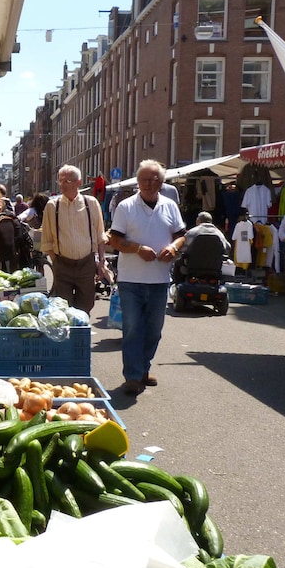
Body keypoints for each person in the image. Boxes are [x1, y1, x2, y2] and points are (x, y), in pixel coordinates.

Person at [108, 160, 187, 396]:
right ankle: (132, 376)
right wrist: (137, 248)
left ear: (161, 183)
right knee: (132, 328)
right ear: (137, 182)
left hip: (160, 279)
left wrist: (174, 247)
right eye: (144, 179)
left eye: (154, 180)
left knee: (154, 329)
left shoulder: (170, 206)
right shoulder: (126, 206)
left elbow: (182, 234)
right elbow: (114, 239)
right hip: (131, 279)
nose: (149, 184)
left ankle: (143, 368)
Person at [40, 165, 112, 314]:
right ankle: (69, 337)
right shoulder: (52, 206)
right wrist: (57, 262)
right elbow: (46, 240)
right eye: (60, 181)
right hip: (63, 264)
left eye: (67, 181)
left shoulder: (90, 203)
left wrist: (101, 262)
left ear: (78, 183)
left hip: (86, 264)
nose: (63, 185)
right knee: (63, 308)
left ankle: (81, 335)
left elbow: (100, 236)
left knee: (85, 307)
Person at [172, 211, 231, 284]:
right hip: (214, 270)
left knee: (177, 262)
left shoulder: (192, 232)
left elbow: (182, 249)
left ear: (198, 221)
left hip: (192, 268)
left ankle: (177, 286)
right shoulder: (220, 234)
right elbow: (227, 248)